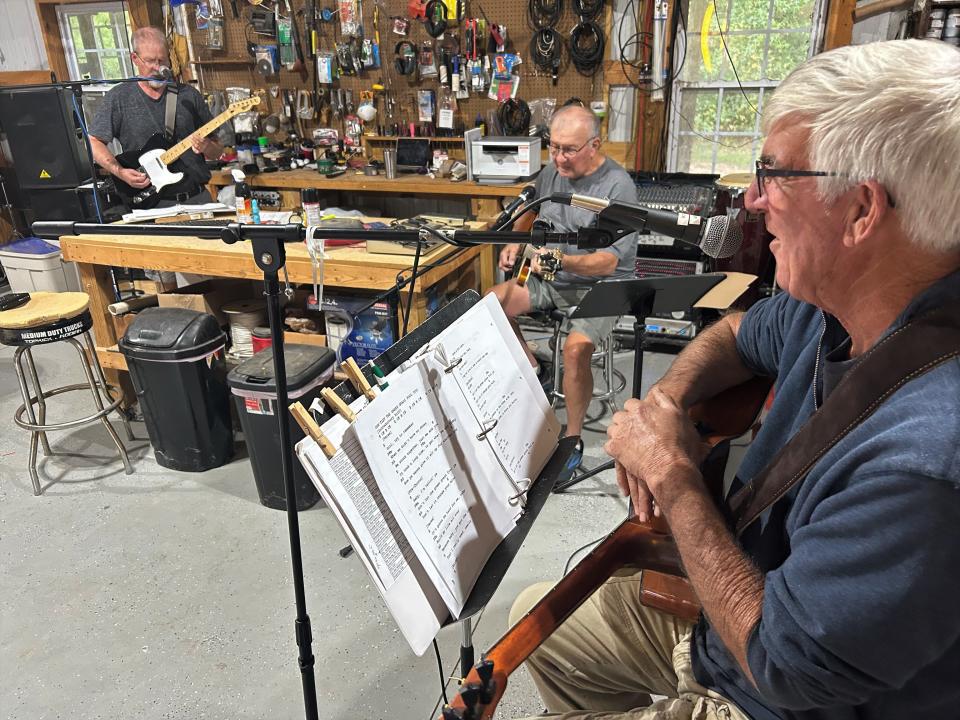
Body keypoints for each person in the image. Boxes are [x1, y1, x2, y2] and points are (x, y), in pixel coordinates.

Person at [509, 39, 960, 720]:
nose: (751, 200)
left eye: (774, 173)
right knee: (535, 626)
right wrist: (667, 396)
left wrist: (672, 474)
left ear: (863, 211)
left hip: (775, 694)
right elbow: (740, 333)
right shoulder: (838, 303)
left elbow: (785, 667)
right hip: (733, 617)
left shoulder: (926, 461)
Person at [489, 105, 639, 468]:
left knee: (574, 351)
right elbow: (532, 207)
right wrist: (514, 240)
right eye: (552, 146)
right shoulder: (553, 171)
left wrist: (563, 261)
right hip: (553, 277)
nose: (558, 157)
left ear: (594, 145)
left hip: (603, 285)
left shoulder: (618, 187)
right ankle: (533, 370)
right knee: (491, 305)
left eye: (568, 149)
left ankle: (570, 438)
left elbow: (610, 260)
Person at [89, 26, 221, 207]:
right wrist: (120, 172)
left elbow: (218, 151)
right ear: (134, 58)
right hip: (151, 203)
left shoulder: (188, 96)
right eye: (150, 61)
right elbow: (94, 142)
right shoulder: (119, 98)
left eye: (162, 61)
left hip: (197, 199)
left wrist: (207, 146)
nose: (158, 68)